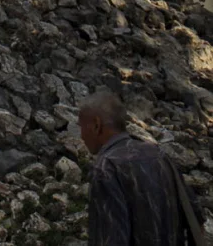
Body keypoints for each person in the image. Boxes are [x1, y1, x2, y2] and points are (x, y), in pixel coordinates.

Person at [78, 91, 205, 246]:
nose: (81, 135)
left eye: (82, 127)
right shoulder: (160, 155)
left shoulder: (106, 168)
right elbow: (196, 222)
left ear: (96, 125)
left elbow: (110, 239)